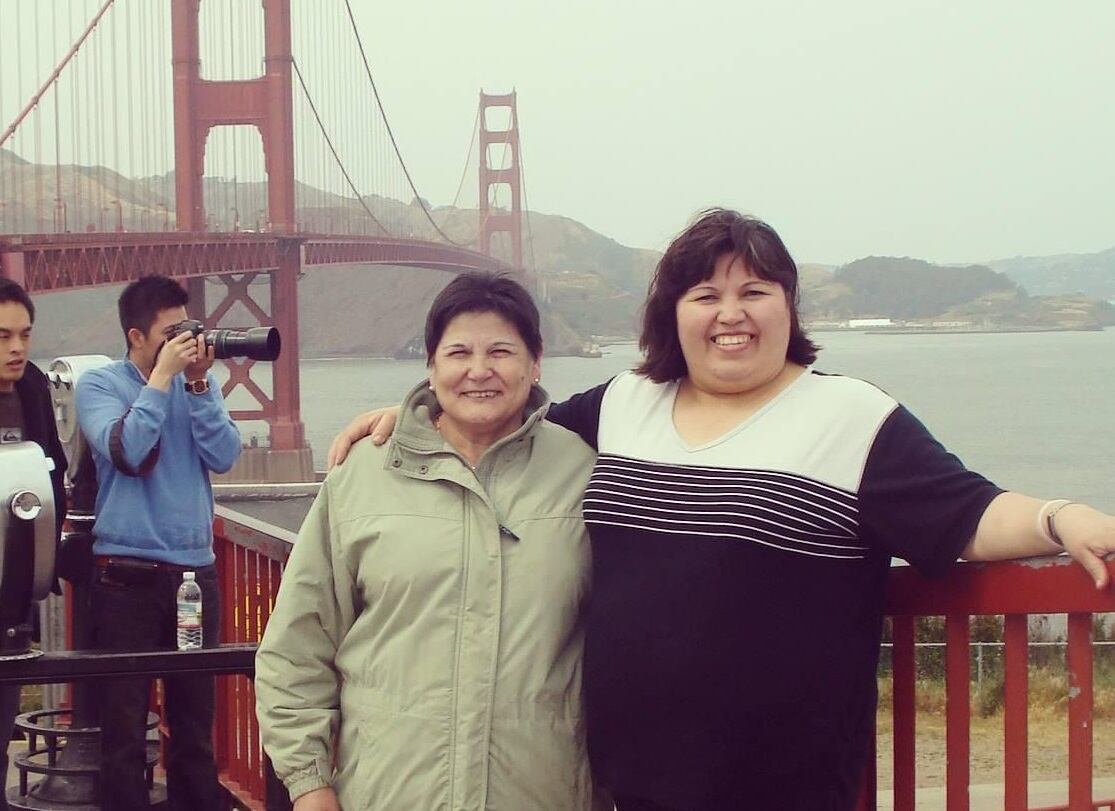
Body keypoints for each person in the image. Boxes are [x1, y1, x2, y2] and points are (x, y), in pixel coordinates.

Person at [327, 209, 1115, 810]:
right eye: (705, 293)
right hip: (626, 790)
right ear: (673, 313)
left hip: (784, 790)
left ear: (788, 306)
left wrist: (1059, 516)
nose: (729, 312)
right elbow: (504, 436)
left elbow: (965, 513)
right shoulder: (623, 404)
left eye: (753, 292)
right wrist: (415, 417)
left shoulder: (849, 416)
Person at [255, 272, 607, 810]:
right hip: (385, 794)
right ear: (431, 364)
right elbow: (298, 644)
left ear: (536, 362)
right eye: (458, 352)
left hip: (540, 793)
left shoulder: (584, 475)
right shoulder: (364, 473)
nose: (478, 371)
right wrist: (309, 784)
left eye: (501, 352)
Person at [76, 275, 241, 810]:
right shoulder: (100, 386)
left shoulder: (198, 386)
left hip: (193, 580)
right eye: (172, 333)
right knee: (123, 729)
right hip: (126, 581)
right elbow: (128, 450)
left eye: (188, 329)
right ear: (136, 336)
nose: (185, 341)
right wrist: (162, 381)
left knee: (195, 725)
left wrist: (196, 386)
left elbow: (223, 456)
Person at [0, 278, 67, 811]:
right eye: (2, 336)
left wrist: (51, 557)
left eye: (24, 334)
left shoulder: (35, 388)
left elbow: (54, 475)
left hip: (14, 598)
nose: (16, 348)